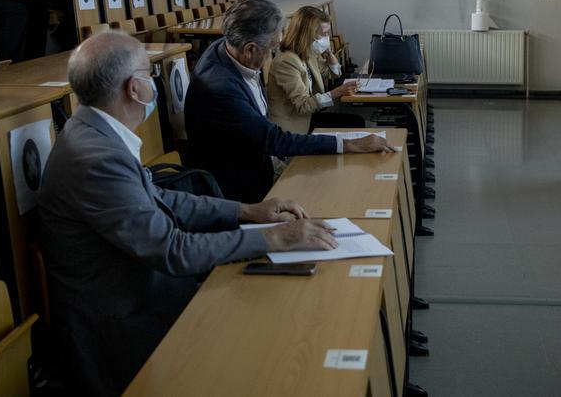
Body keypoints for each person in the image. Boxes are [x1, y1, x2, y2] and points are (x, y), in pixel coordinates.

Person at [38, 31, 337, 396]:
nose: (155, 84)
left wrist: (245, 211)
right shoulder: (96, 158)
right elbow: (173, 251)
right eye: (151, 74)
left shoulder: (93, 131)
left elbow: (159, 196)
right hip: (124, 326)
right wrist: (275, 236)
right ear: (134, 89)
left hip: (150, 292)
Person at [184, 0, 393, 202]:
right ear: (250, 49)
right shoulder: (221, 88)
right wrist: (352, 145)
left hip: (259, 159)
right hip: (241, 188)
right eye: (271, 49)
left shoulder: (226, 46)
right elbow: (274, 140)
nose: (273, 55)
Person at [267, 5, 362, 134]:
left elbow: (334, 73)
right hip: (295, 126)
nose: (327, 37)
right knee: (354, 123)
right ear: (307, 35)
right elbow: (303, 105)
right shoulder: (286, 62)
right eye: (323, 34)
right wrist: (337, 92)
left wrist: (328, 52)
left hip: (308, 117)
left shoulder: (307, 54)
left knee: (356, 121)